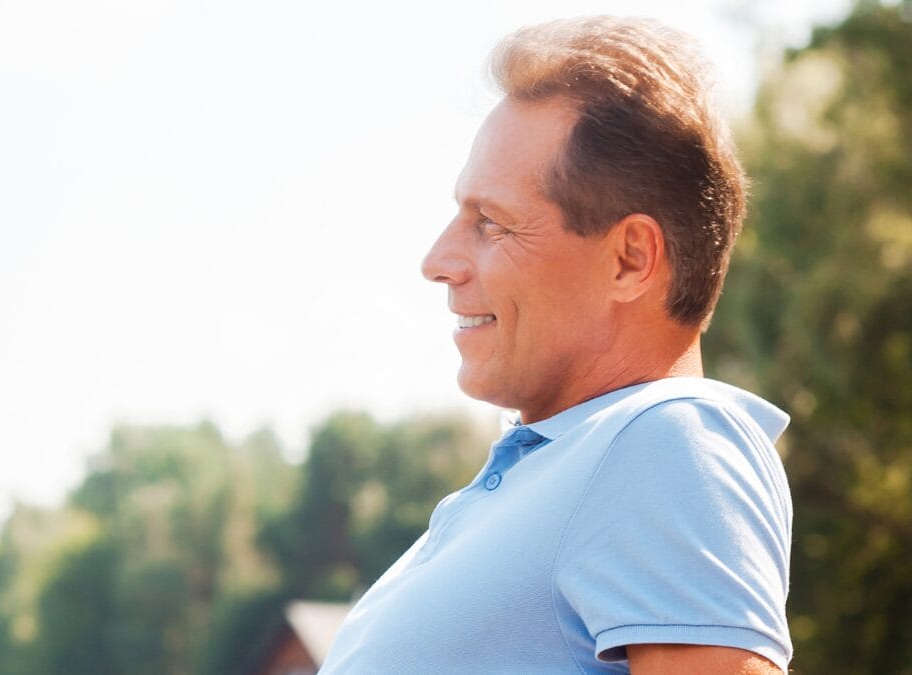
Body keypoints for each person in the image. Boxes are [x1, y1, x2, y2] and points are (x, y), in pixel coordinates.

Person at [318, 16, 793, 675]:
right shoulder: (548, 474)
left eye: (492, 222)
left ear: (629, 259)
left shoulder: (670, 438)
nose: (437, 260)